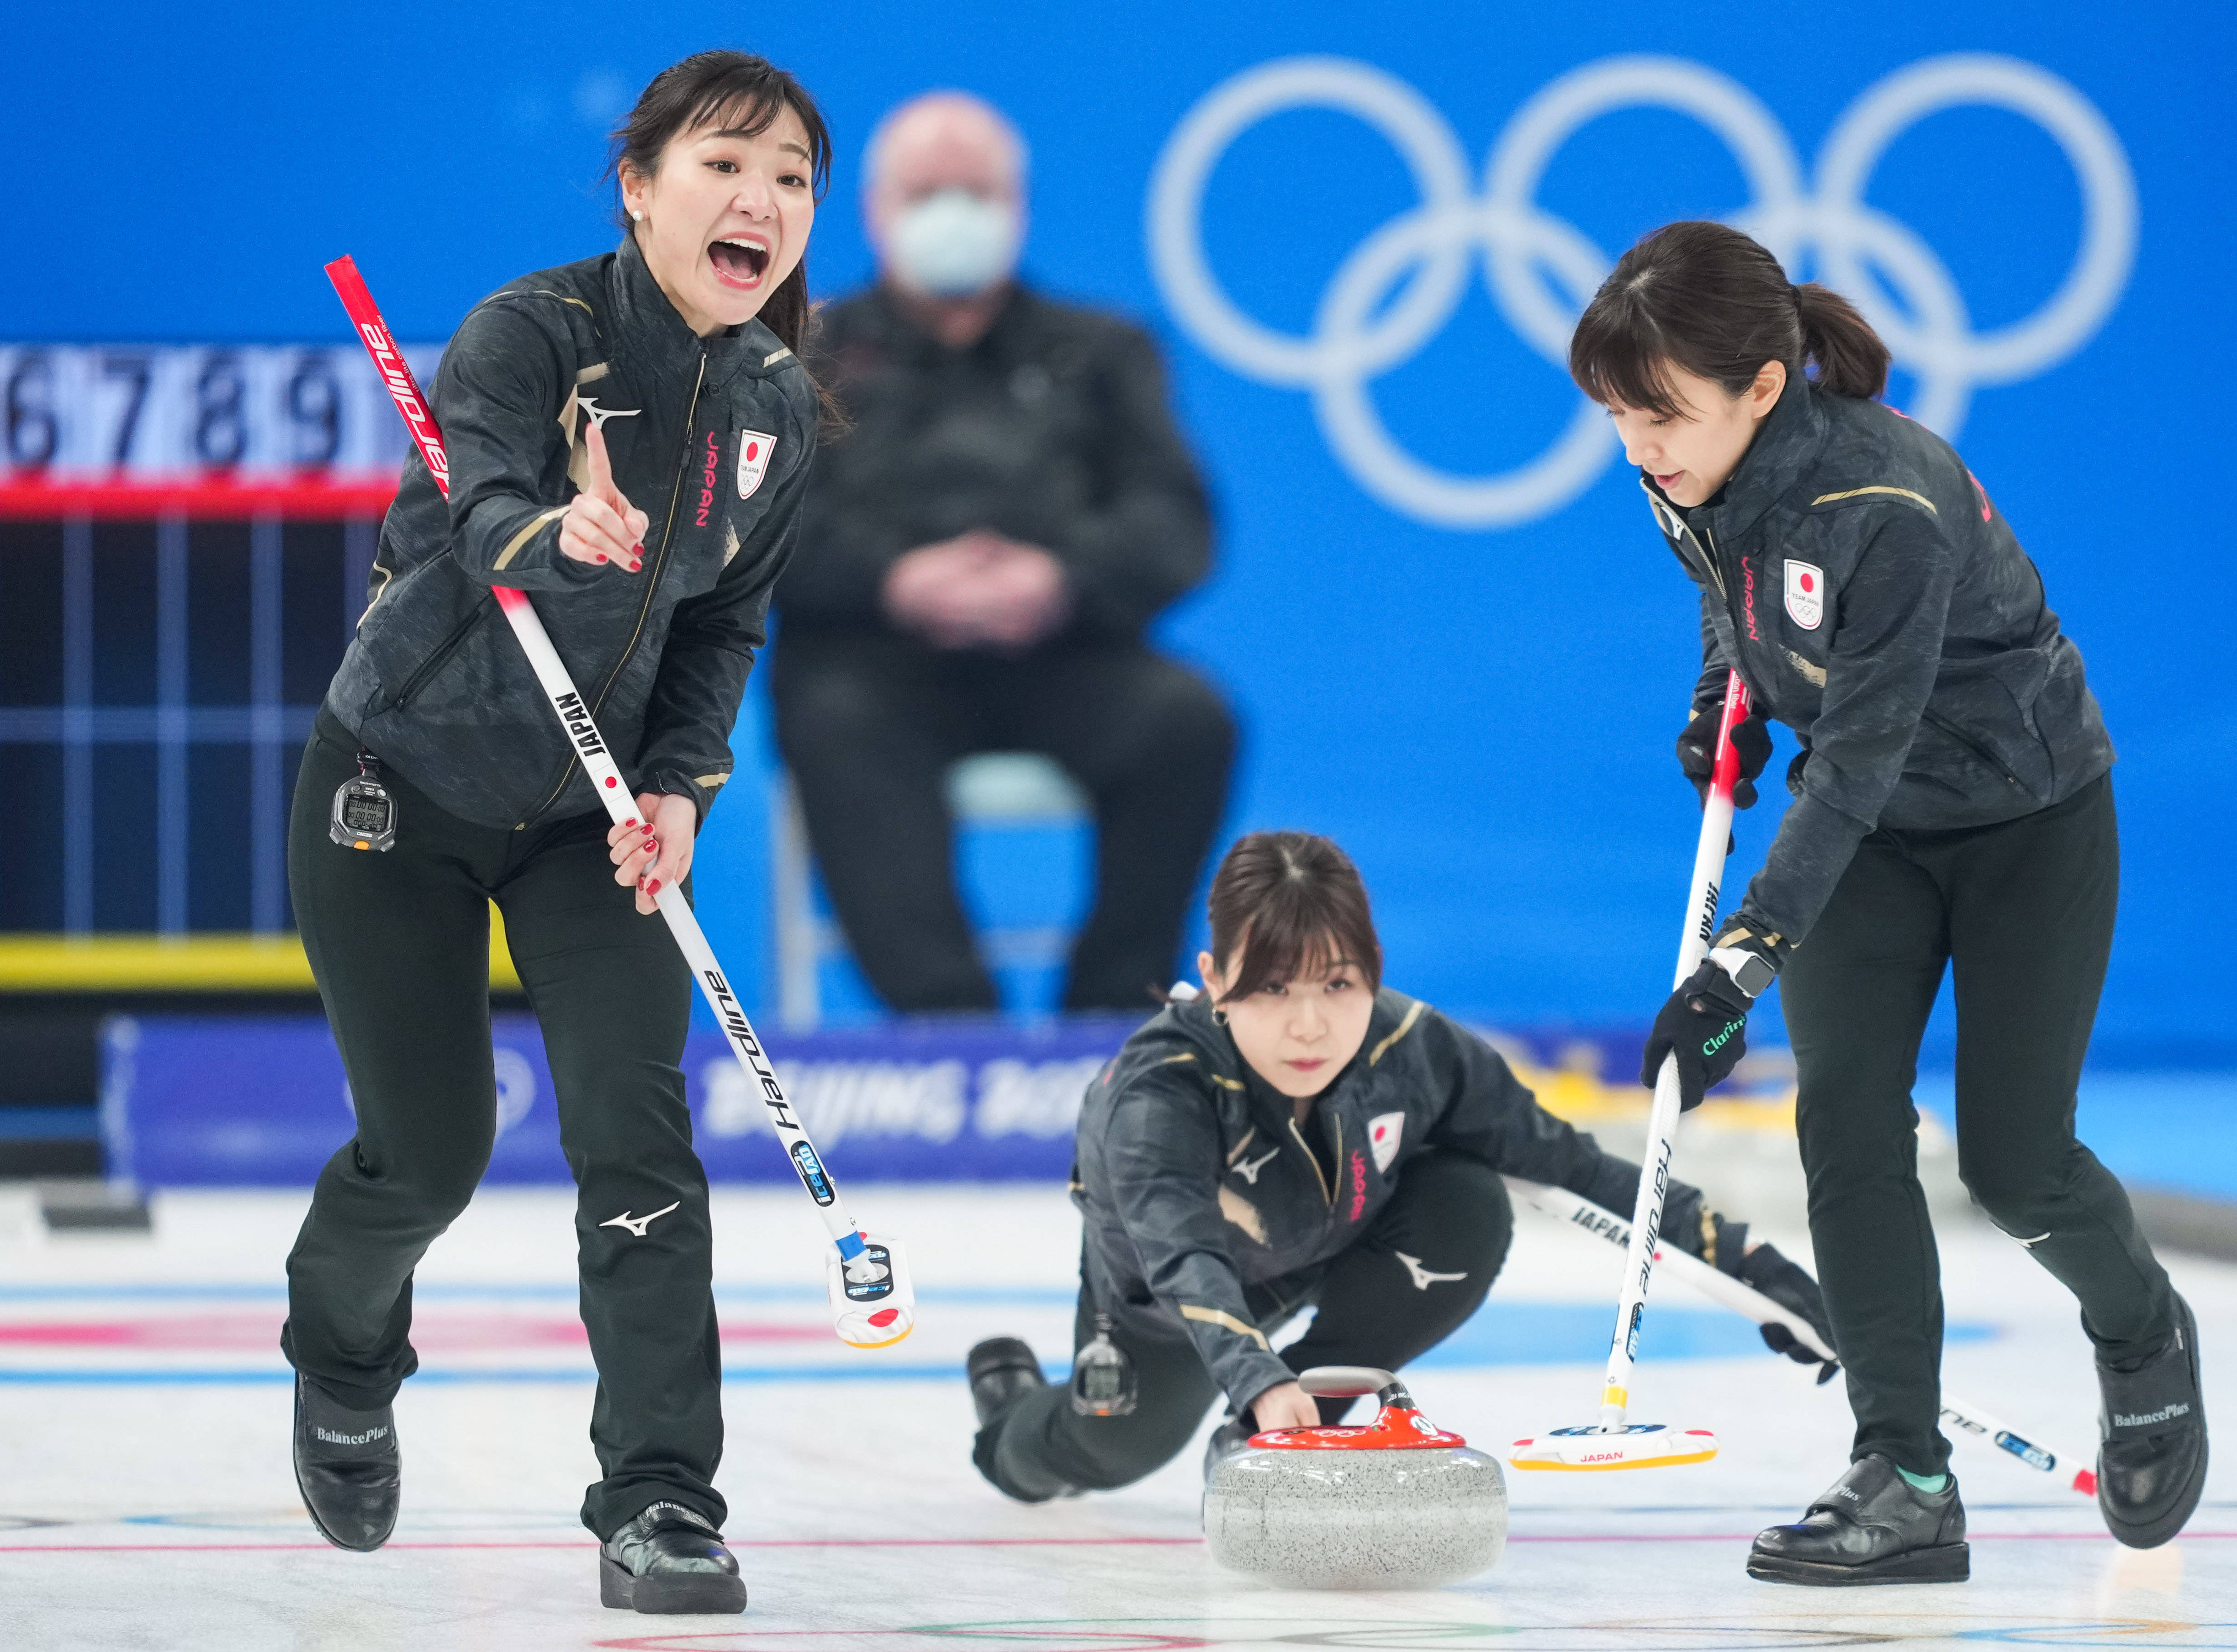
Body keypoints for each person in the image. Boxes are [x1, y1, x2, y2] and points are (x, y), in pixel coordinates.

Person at [1569, 221, 2206, 1585]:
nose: (1638, 448)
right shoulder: (1679, 471)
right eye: (1617, 416)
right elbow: (1724, 588)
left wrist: (1738, 959)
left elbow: (1858, 760)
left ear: (1762, 382)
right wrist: (1717, 701)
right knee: (1845, 1125)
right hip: (1866, 833)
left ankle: (2143, 1329)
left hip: (2022, 822)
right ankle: (1903, 1473)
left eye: (1660, 414)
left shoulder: (1886, 504)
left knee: (2012, 1165)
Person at [279, 51, 829, 1616]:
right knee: (432, 1149)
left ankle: (659, 1497)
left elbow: (724, 624)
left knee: (633, 1135)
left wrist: (683, 783)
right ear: (639, 186)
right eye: (728, 164)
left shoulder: (780, 406)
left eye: (792, 178)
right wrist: (554, 531)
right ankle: (341, 1352)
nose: (762, 201)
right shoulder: (535, 333)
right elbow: (480, 508)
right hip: (398, 787)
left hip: (588, 823)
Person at [964, 830, 1834, 1500]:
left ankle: (1297, 1419)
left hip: (1336, 1245)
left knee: (1470, 1199)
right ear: (1214, 977)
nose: (1309, 1025)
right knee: (1109, 1452)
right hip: (1170, 1301)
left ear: (1374, 975)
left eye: (1337, 985)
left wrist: (1748, 1264)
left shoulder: (1417, 1047)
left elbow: (1571, 1166)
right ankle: (1009, 1412)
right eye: (1272, 988)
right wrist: (1256, 1377)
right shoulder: (1159, 1090)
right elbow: (1182, 1253)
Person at [771, 90, 1234, 1013]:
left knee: (1189, 722)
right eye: (927, 190)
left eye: (975, 191)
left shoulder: (1101, 350)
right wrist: (896, 580)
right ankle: (951, 1033)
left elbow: (1175, 521)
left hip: (1064, 652)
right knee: (833, 725)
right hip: (872, 664)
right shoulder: (799, 356)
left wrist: (1058, 579)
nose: (954, 212)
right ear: (874, 211)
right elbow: (761, 530)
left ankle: (1110, 1025)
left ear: (1016, 207)